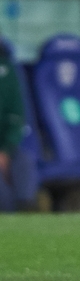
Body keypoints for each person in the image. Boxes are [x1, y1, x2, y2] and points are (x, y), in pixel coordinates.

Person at [0, 38, 37, 212]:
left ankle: (25, 215)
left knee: (24, 162)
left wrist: (5, 151)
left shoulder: (6, 68)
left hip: (4, 147)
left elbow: (16, 116)